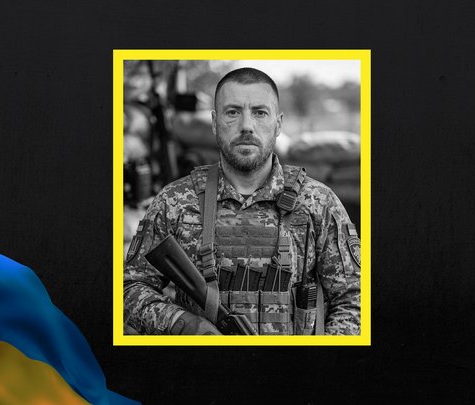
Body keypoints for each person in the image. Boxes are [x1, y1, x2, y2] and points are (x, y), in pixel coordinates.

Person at [124, 67, 360, 335]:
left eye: (259, 112)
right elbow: (130, 287)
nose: (247, 126)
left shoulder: (318, 202)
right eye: (233, 112)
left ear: (278, 124)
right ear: (215, 123)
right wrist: (181, 323)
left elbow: (354, 298)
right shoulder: (174, 201)